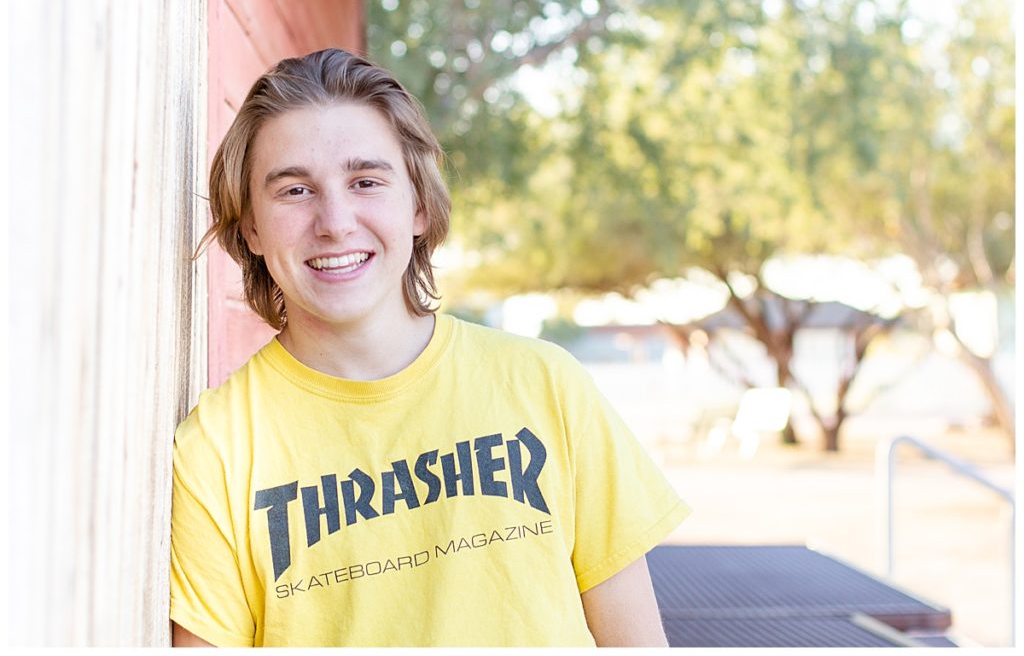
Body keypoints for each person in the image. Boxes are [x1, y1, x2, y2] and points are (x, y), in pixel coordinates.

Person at [170, 48, 690, 647]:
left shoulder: (545, 385)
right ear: (251, 228)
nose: (335, 221)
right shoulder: (218, 447)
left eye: (365, 181)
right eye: (294, 191)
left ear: (417, 204)